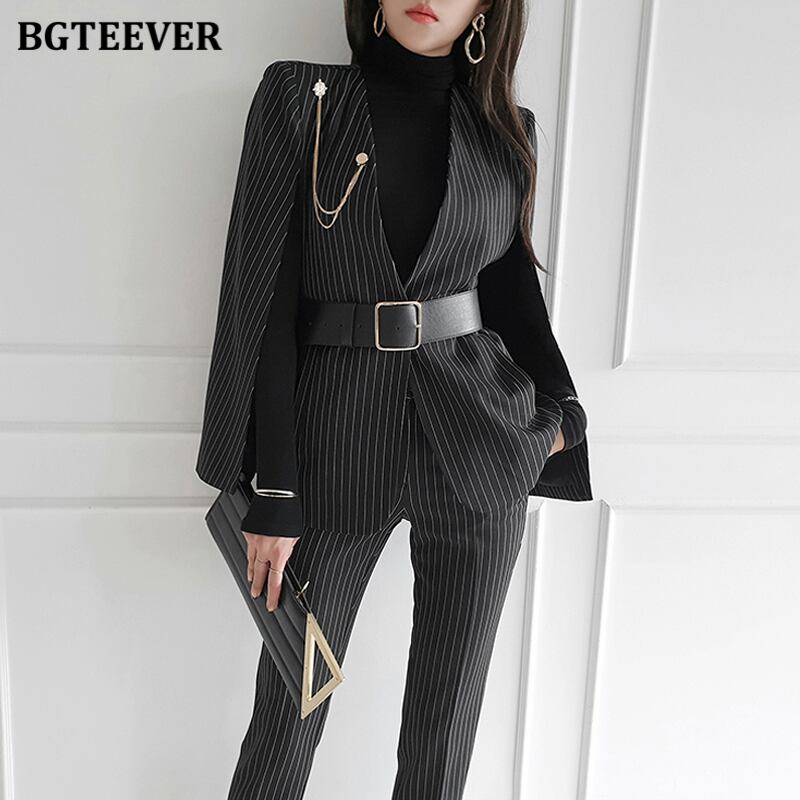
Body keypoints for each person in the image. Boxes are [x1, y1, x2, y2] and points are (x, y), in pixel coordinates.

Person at [196, 2, 592, 798]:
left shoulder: (506, 132)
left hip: (479, 446)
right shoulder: (299, 100)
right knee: (289, 714)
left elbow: (512, 298)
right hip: (331, 446)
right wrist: (274, 490)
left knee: (443, 738)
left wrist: (563, 416)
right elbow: (262, 299)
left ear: (487, 10)